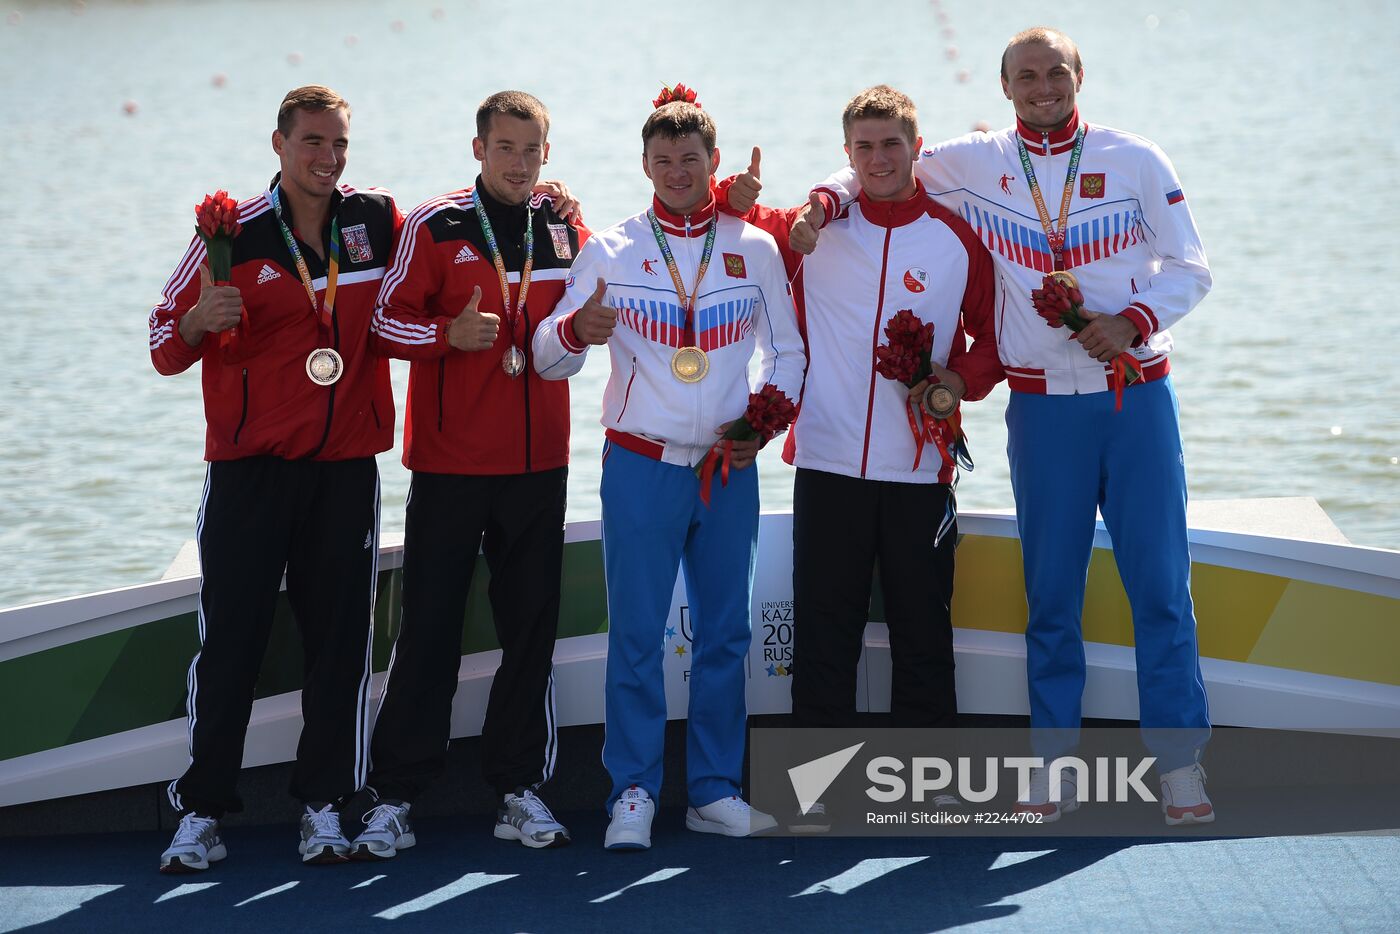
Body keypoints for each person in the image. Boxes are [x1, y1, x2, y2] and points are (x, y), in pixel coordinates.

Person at [790, 27, 1215, 825]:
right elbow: (867, 168)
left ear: (1079, 76)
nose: (1042, 86)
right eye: (1026, 75)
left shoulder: (1137, 157)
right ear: (1004, 85)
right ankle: (1053, 765)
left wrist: (1134, 319)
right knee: (1051, 598)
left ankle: (1180, 766)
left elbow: (1193, 266)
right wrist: (817, 206)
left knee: (1160, 589)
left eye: (1056, 72)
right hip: (1042, 407)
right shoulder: (971, 161)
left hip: (1137, 398)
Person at [717, 86, 1002, 831]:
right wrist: (735, 187)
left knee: (921, 629)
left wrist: (956, 381)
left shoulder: (954, 239)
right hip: (830, 464)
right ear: (846, 155)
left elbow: (996, 342)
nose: (878, 160)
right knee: (824, 632)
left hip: (919, 473)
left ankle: (927, 793)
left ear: (916, 149)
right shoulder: (810, 231)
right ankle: (818, 796)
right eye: (864, 148)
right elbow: (719, 211)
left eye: (891, 146)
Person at [533, 85, 805, 850]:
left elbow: (790, 351)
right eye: (663, 160)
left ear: (714, 163)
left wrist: (760, 422)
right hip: (640, 465)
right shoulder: (610, 249)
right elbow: (551, 360)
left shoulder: (753, 246)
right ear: (645, 165)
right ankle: (633, 791)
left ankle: (714, 789)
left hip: (728, 464)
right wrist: (576, 330)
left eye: (691, 159)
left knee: (725, 634)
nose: (677, 171)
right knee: (638, 635)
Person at [148, 85, 403, 871]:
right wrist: (197, 322)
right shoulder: (230, 234)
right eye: (312, 143)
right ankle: (200, 812)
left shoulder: (376, 221)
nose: (328, 159)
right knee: (232, 644)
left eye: (340, 145)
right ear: (278, 144)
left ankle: (324, 805)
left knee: (339, 645)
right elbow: (162, 340)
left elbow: (455, 242)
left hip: (343, 471)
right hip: (250, 472)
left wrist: (553, 202)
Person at [355, 91, 586, 857]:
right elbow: (382, 323)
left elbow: (605, 293)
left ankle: (517, 788)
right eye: (505, 148)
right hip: (451, 465)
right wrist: (445, 334)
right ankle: (395, 796)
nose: (518, 164)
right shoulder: (436, 224)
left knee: (530, 634)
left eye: (532, 150)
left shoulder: (563, 226)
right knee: (428, 634)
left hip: (538, 465)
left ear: (546, 155)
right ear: (479, 148)